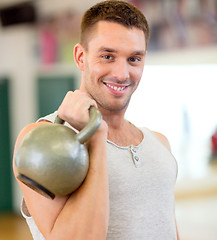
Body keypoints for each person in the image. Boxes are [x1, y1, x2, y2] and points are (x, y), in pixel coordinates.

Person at [13, 1, 179, 239]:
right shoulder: (41, 141)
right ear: (81, 57)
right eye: (108, 56)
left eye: (134, 59)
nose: (122, 74)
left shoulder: (160, 144)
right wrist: (96, 136)